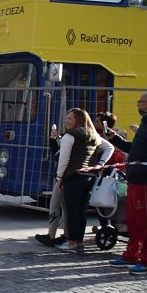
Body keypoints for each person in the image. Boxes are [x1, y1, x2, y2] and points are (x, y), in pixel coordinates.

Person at [104, 90, 147, 274]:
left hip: (145, 181)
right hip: (135, 179)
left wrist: (140, 168)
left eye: (140, 101)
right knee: (134, 220)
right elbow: (135, 149)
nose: (137, 104)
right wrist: (115, 139)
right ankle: (131, 254)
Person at [53, 108, 102, 253]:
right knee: (81, 211)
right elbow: (108, 147)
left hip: (73, 177)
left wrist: (59, 178)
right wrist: (101, 163)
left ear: (78, 120)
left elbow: (64, 160)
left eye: (70, 118)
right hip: (89, 177)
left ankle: (72, 242)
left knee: (72, 211)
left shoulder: (70, 136)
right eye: (67, 117)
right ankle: (79, 241)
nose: (67, 120)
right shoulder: (94, 136)